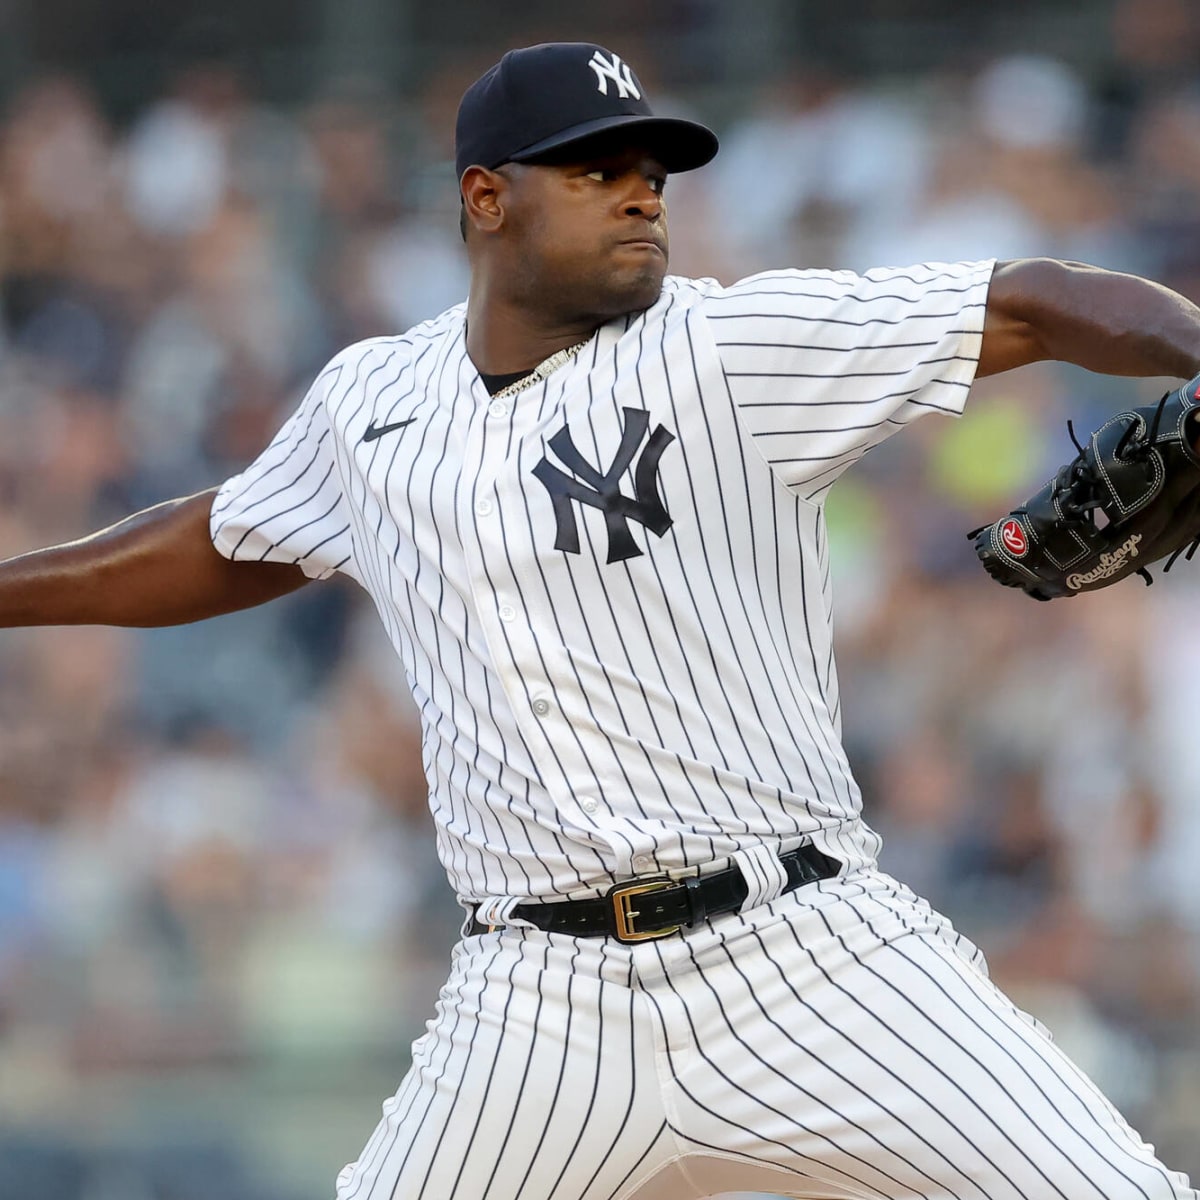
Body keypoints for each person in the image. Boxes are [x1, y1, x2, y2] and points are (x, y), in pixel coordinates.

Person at [3, 40, 1199, 1200]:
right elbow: (222, 541)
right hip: (534, 1006)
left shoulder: (728, 348)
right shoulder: (369, 400)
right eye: (597, 171)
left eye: (653, 176)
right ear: (486, 197)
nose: (642, 199)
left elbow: (1034, 301)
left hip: (805, 955)